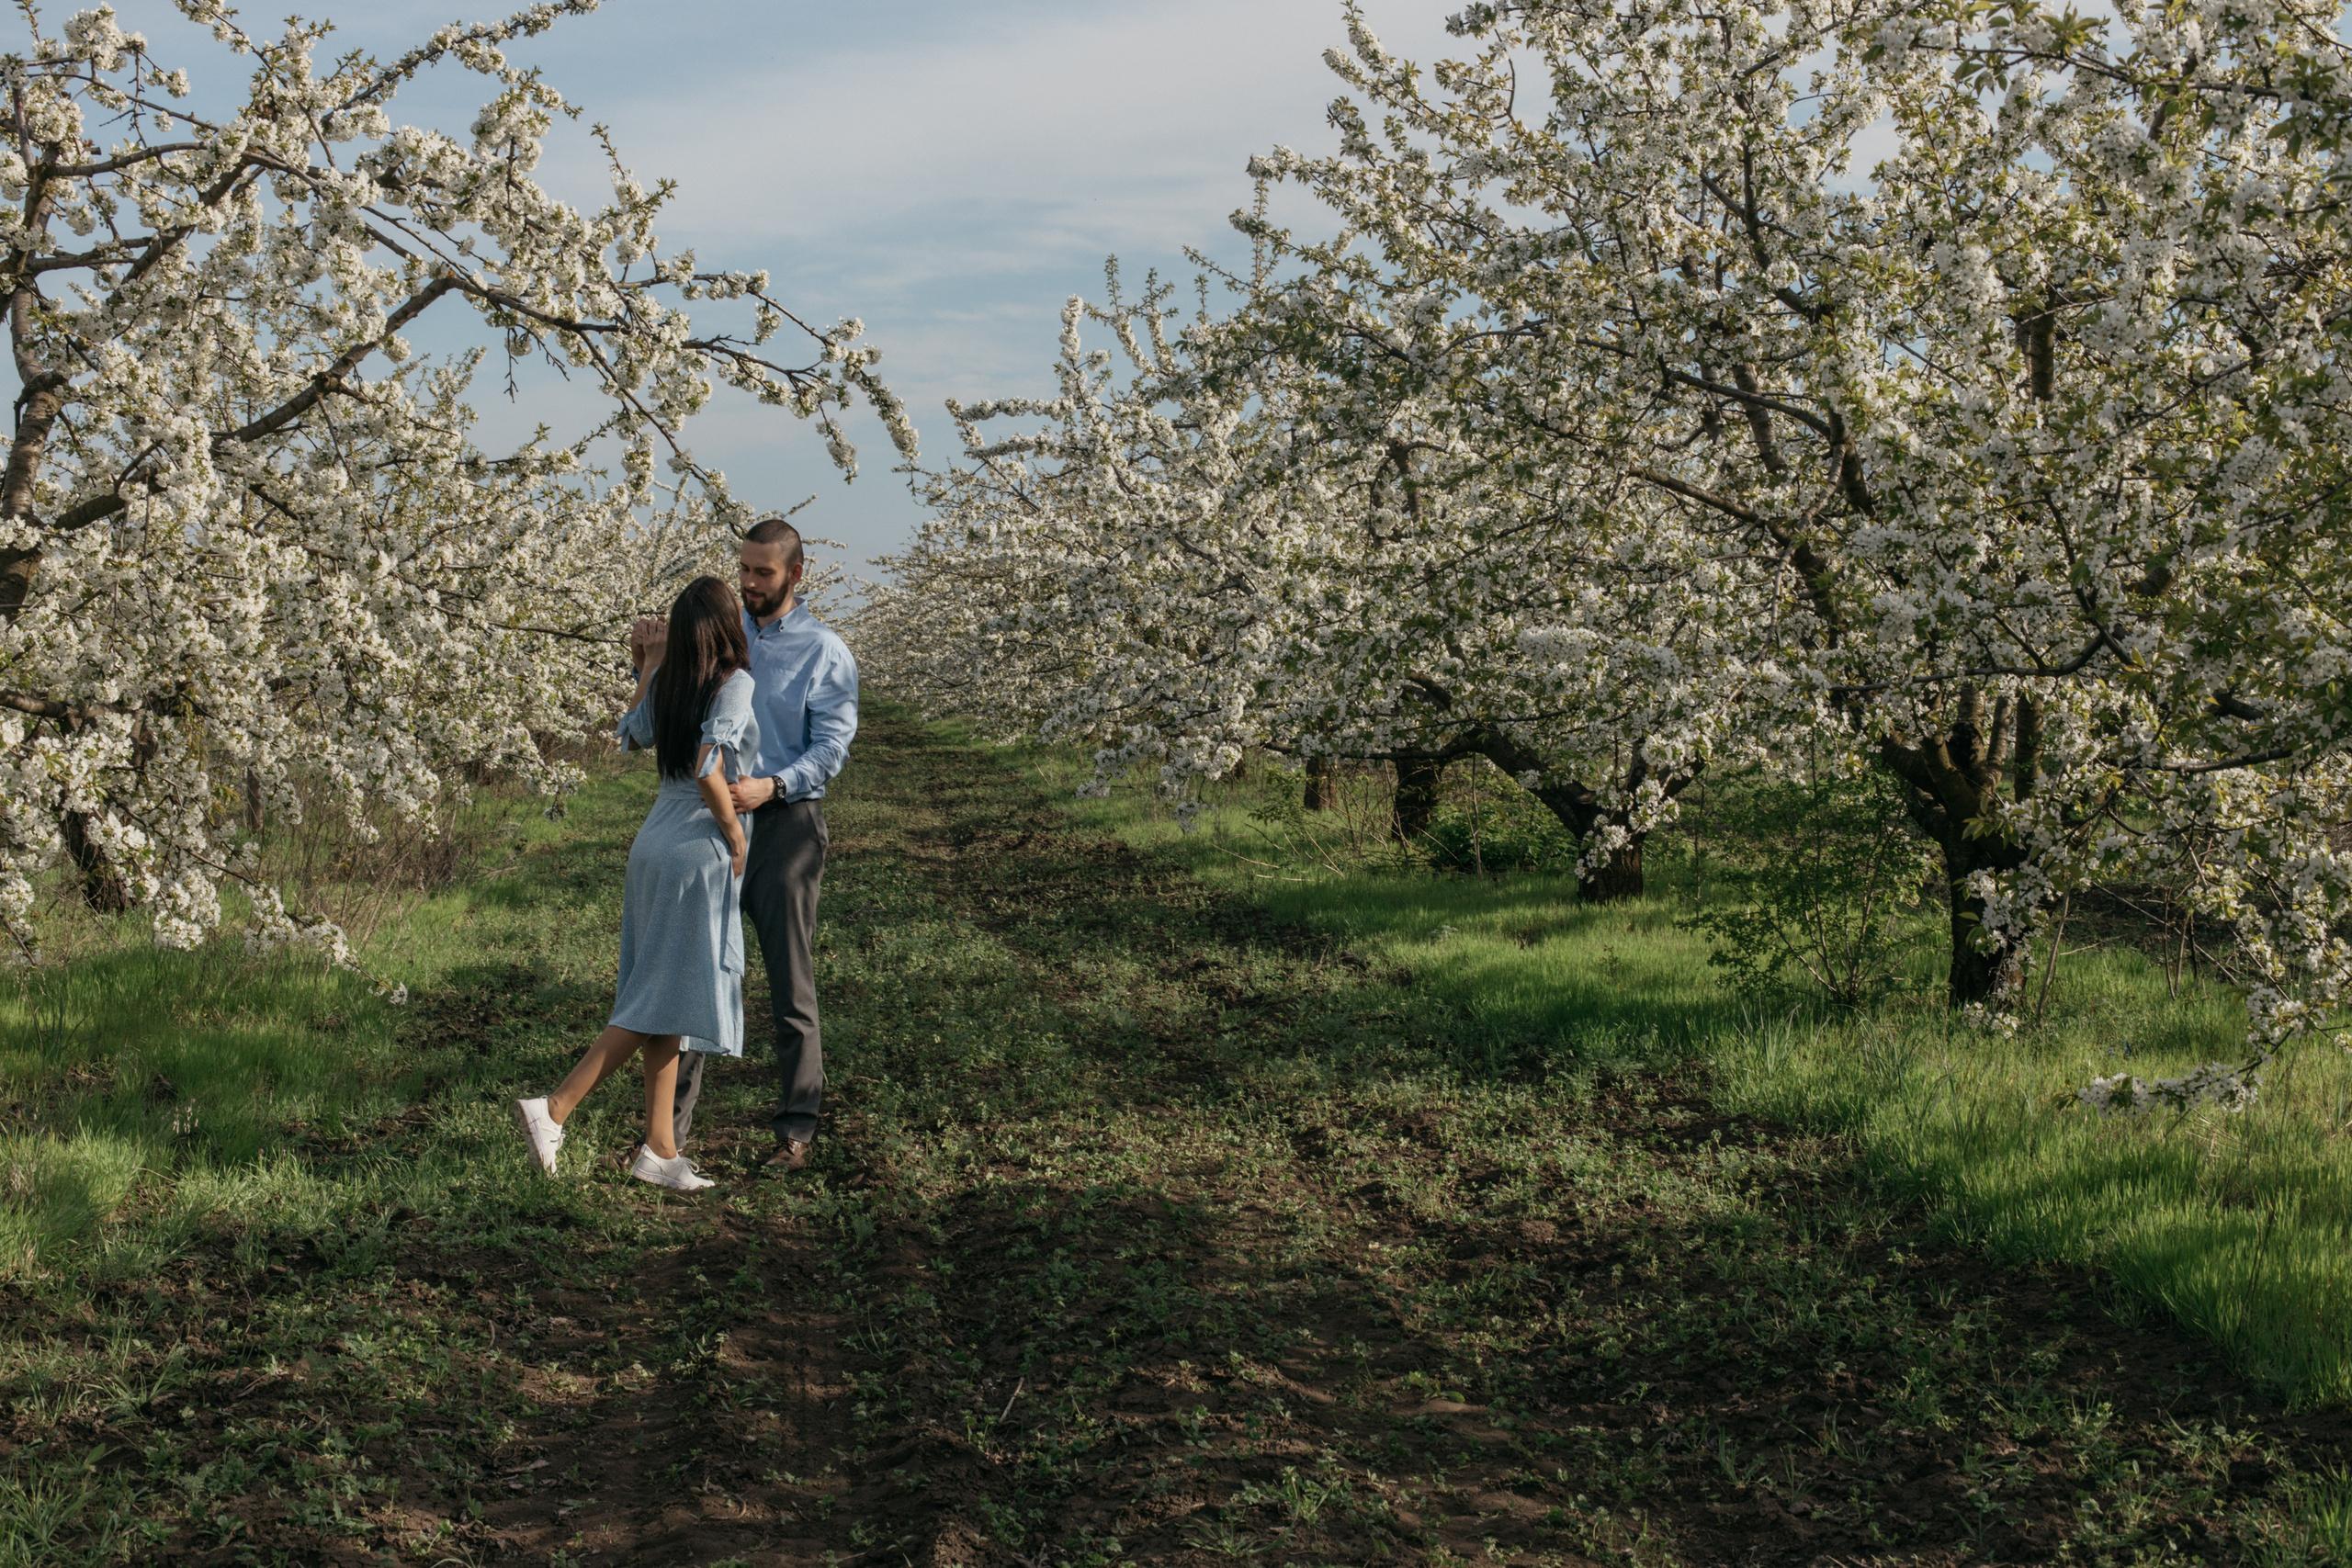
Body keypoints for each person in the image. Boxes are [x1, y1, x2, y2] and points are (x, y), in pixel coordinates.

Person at [513, 575, 760, 1191]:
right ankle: (556, 1107)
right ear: (730, 627)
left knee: (666, 995)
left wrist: (645, 664)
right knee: (656, 998)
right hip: (695, 847)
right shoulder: (734, 681)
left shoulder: (672, 679)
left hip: (653, 841)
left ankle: (660, 1146)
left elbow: (637, 732)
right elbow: (709, 763)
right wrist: (733, 832)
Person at [628, 517, 857, 1173]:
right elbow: (667, 713)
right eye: (745, 570)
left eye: (764, 572)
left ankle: (796, 1128)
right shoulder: (717, 639)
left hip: (784, 822)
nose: (751, 583)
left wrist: (772, 785)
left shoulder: (823, 651)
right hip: (711, 824)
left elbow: (832, 746)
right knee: (695, 967)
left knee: (790, 978)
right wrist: (645, 658)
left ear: (796, 574)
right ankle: (665, 1133)